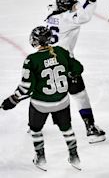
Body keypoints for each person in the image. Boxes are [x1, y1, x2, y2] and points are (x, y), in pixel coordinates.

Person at [1, 26, 83, 170]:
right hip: (62, 102)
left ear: (35, 41)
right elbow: (78, 68)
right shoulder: (61, 52)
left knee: (35, 129)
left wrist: (13, 99)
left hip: (41, 104)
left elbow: (27, 87)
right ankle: (74, 156)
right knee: (67, 129)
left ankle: (40, 158)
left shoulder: (31, 60)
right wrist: (70, 74)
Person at [44, 0, 105, 143]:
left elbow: (57, 3)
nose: (75, 8)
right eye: (73, 6)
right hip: (64, 63)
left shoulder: (50, 14)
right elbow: (84, 16)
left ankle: (33, 125)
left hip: (45, 61)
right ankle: (91, 128)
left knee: (44, 92)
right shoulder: (68, 19)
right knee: (79, 94)